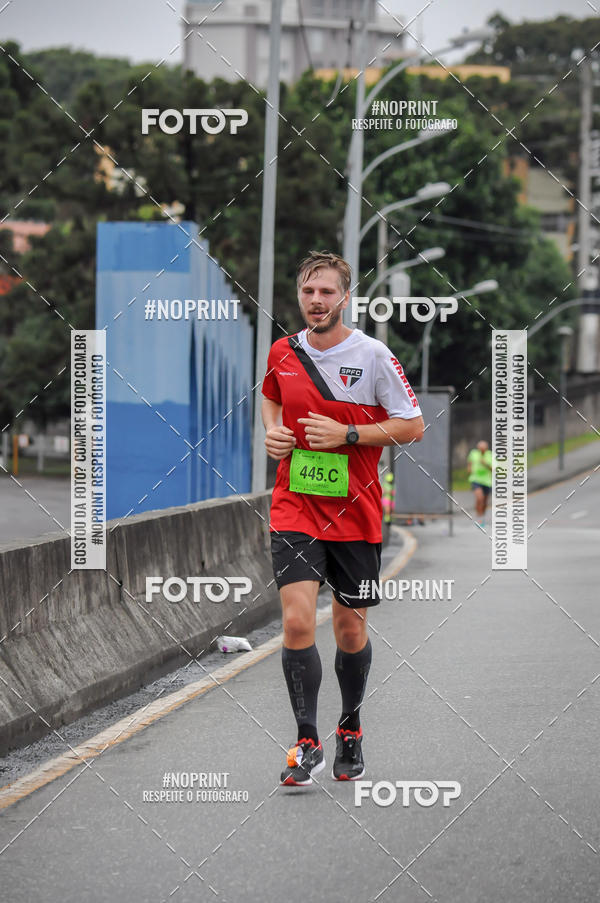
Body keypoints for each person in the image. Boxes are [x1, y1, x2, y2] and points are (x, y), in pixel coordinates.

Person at [261, 250, 424, 787]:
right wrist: (274, 433)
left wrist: (350, 434)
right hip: (295, 503)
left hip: (356, 512)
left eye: (326, 292)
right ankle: (306, 740)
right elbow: (270, 399)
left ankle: (349, 727)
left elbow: (412, 425)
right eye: (308, 292)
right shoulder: (283, 352)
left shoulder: (372, 355)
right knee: (298, 620)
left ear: (344, 297)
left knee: (350, 628)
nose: (315, 301)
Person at [467, 440, 493, 527]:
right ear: (478, 448)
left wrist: (485, 463)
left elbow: (493, 469)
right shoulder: (473, 453)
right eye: (480, 448)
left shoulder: (490, 455)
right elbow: (470, 462)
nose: (481, 450)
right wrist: (469, 469)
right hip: (475, 479)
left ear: (486, 449)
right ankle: (479, 517)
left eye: (483, 449)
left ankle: (482, 516)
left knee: (485, 501)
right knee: (479, 498)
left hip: (487, 481)